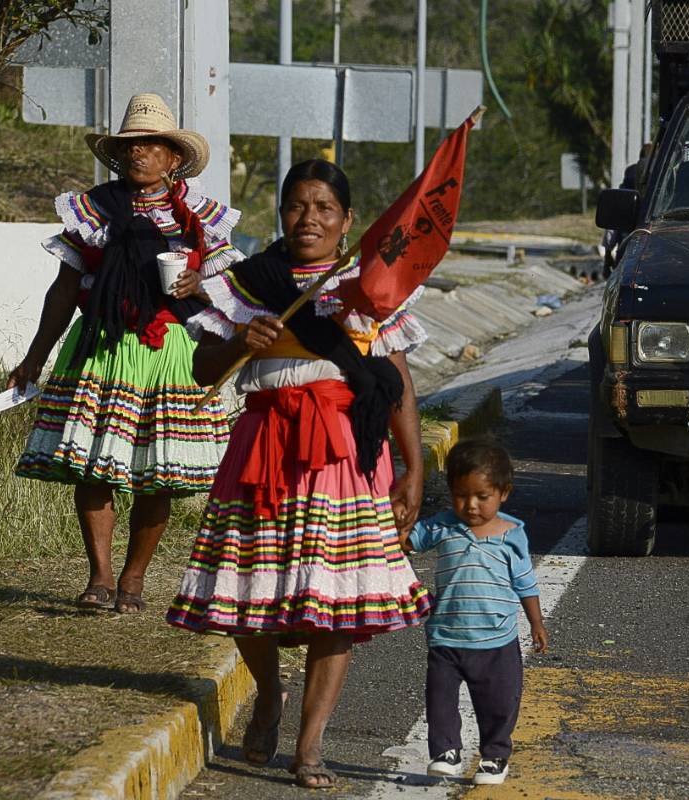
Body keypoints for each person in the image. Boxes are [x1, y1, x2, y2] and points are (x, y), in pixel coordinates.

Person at [167, 159, 432, 789]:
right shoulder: (250, 284)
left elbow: (398, 386)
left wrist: (414, 468)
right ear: (280, 214)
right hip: (261, 449)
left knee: (335, 602)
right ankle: (267, 693)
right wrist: (241, 343)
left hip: (342, 456)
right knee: (241, 593)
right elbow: (206, 370)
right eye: (295, 206)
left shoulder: (369, 286)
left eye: (323, 208)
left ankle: (310, 746)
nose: (308, 218)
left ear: (346, 221)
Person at [8, 92, 239, 614]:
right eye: (130, 145)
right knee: (94, 466)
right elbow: (64, 291)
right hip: (100, 346)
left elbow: (230, 295)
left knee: (160, 471)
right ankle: (101, 577)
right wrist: (35, 356)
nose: (139, 154)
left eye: (151, 145)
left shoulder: (201, 218)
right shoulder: (93, 210)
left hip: (170, 351)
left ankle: (134, 580)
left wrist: (197, 285)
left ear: (173, 158)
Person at [399, 438, 548, 787]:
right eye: (461, 495)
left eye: (483, 497)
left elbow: (526, 584)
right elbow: (407, 541)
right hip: (446, 636)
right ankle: (445, 751)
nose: (471, 505)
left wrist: (536, 624)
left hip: (497, 641)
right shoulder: (443, 526)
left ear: (504, 493)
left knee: (498, 703)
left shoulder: (512, 535)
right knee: (440, 700)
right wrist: (399, 520)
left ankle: (495, 756)